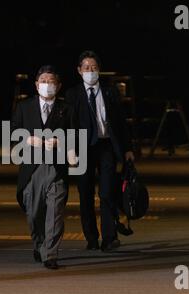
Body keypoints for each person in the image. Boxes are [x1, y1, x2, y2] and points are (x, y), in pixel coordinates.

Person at [65, 50, 134, 252]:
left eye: (94, 67)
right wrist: (71, 150)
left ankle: (109, 237)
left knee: (107, 192)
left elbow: (121, 123)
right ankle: (91, 238)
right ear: (79, 71)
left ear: (99, 70)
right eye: (86, 68)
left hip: (106, 147)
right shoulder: (72, 94)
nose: (90, 71)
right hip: (83, 149)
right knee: (85, 193)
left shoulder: (110, 92)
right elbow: (69, 125)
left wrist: (128, 148)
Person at [11, 65, 72, 270]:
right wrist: (29, 140)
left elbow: (76, 136)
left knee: (54, 213)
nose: (47, 85)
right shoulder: (24, 107)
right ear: (36, 85)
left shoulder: (66, 109)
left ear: (59, 86)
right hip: (32, 169)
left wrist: (60, 142)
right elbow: (13, 135)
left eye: (51, 81)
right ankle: (39, 245)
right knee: (34, 213)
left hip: (56, 168)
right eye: (43, 81)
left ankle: (50, 254)